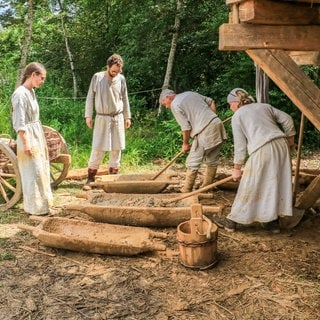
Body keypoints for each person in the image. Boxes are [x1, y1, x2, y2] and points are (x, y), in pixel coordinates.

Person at [224, 88, 296, 233]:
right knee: (275, 182)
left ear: (235, 103)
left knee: (250, 183)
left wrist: (237, 168)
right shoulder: (264, 106)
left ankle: (232, 221)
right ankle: (272, 222)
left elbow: (240, 145)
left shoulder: (237, 115)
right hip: (281, 145)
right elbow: (287, 119)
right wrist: (290, 140)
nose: (230, 108)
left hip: (262, 148)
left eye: (230, 105)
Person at [159, 89, 227, 193]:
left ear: (169, 98)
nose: (167, 107)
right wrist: (211, 118)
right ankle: (206, 188)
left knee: (193, 161)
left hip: (205, 129)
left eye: (165, 104)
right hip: (217, 124)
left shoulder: (175, 104)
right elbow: (211, 101)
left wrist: (185, 143)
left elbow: (185, 127)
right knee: (212, 160)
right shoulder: (190, 93)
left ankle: (186, 190)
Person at [83, 54, 131, 190]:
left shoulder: (121, 79)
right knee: (98, 148)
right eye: (114, 70)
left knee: (116, 149)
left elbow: (125, 98)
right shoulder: (98, 77)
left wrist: (128, 117)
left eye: (118, 71)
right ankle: (90, 179)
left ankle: (113, 180)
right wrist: (88, 115)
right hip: (102, 118)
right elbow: (90, 97)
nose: (116, 73)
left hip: (118, 117)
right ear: (108, 67)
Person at [11, 62, 53, 215]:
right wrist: (26, 142)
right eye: (41, 78)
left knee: (41, 169)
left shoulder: (31, 91)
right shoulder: (20, 94)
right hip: (27, 136)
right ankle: (34, 208)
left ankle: (43, 205)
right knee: (32, 170)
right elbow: (19, 121)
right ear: (32, 75)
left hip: (36, 133)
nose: (42, 81)